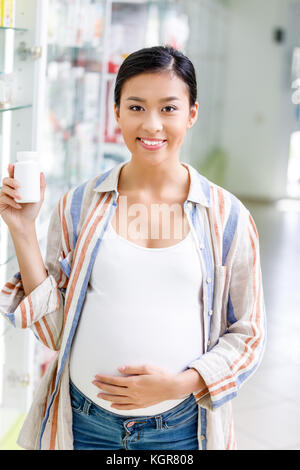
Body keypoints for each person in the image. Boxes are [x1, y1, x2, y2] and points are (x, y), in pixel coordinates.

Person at [0, 45, 266, 450]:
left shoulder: (227, 217)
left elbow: (248, 334)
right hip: (84, 425)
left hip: (179, 430)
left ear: (192, 114)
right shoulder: (77, 206)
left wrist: (180, 383)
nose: (153, 125)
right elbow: (54, 333)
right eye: (137, 107)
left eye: (169, 108)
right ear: (117, 112)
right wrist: (22, 229)